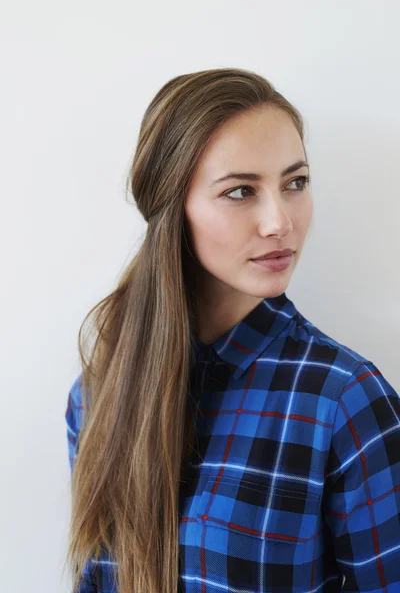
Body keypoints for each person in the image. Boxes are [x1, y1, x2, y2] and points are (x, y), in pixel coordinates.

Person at [64, 67, 400, 593]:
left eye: (295, 183)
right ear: (173, 211)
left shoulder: (344, 401)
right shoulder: (98, 393)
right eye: (241, 191)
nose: (279, 221)